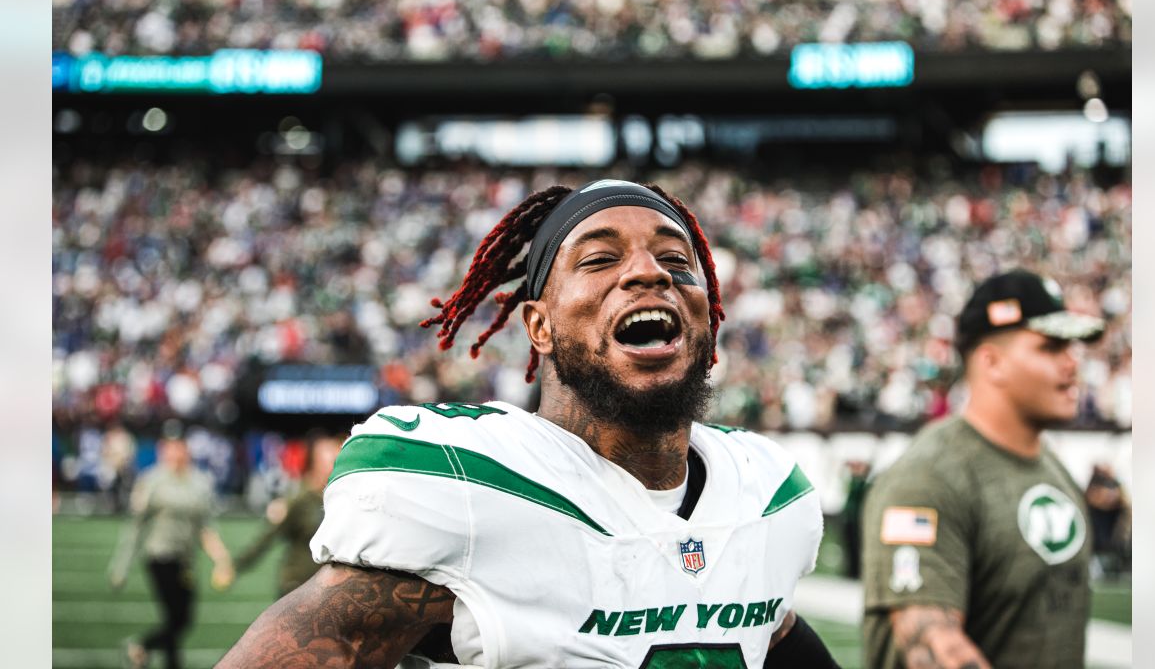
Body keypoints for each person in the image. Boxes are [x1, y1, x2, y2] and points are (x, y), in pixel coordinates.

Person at [218, 179, 839, 667]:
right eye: (599, 259)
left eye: (678, 261)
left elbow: (765, 622)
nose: (651, 272)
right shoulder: (469, 486)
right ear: (539, 327)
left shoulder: (765, 493)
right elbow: (332, 642)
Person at [861, 270, 1105, 669]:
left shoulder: (1053, 469)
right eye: (1051, 347)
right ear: (992, 362)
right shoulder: (927, 476)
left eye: (1074, 347)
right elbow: (931, 644)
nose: (1072, 363)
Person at [109, 428, 235, 669]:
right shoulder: (151, 480)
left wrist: (221, 558)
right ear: (162, 450)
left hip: (185, 561)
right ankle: (150, 650)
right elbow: (136, 526)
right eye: (170, 446)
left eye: (179, 446)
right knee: (174, 618)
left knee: (183, 620)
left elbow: (205, 528)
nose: (176, 452)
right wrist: (120, 566)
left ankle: (141, 648)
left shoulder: (200, 482)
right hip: (159, 556)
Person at [233, 432, 344, 596]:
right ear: (314, 462)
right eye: (329, 459)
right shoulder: (299, 498)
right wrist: (236, 566)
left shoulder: (342, 500)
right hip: (299, 587)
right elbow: (268, 536)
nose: (333, 464)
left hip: (331, 588)